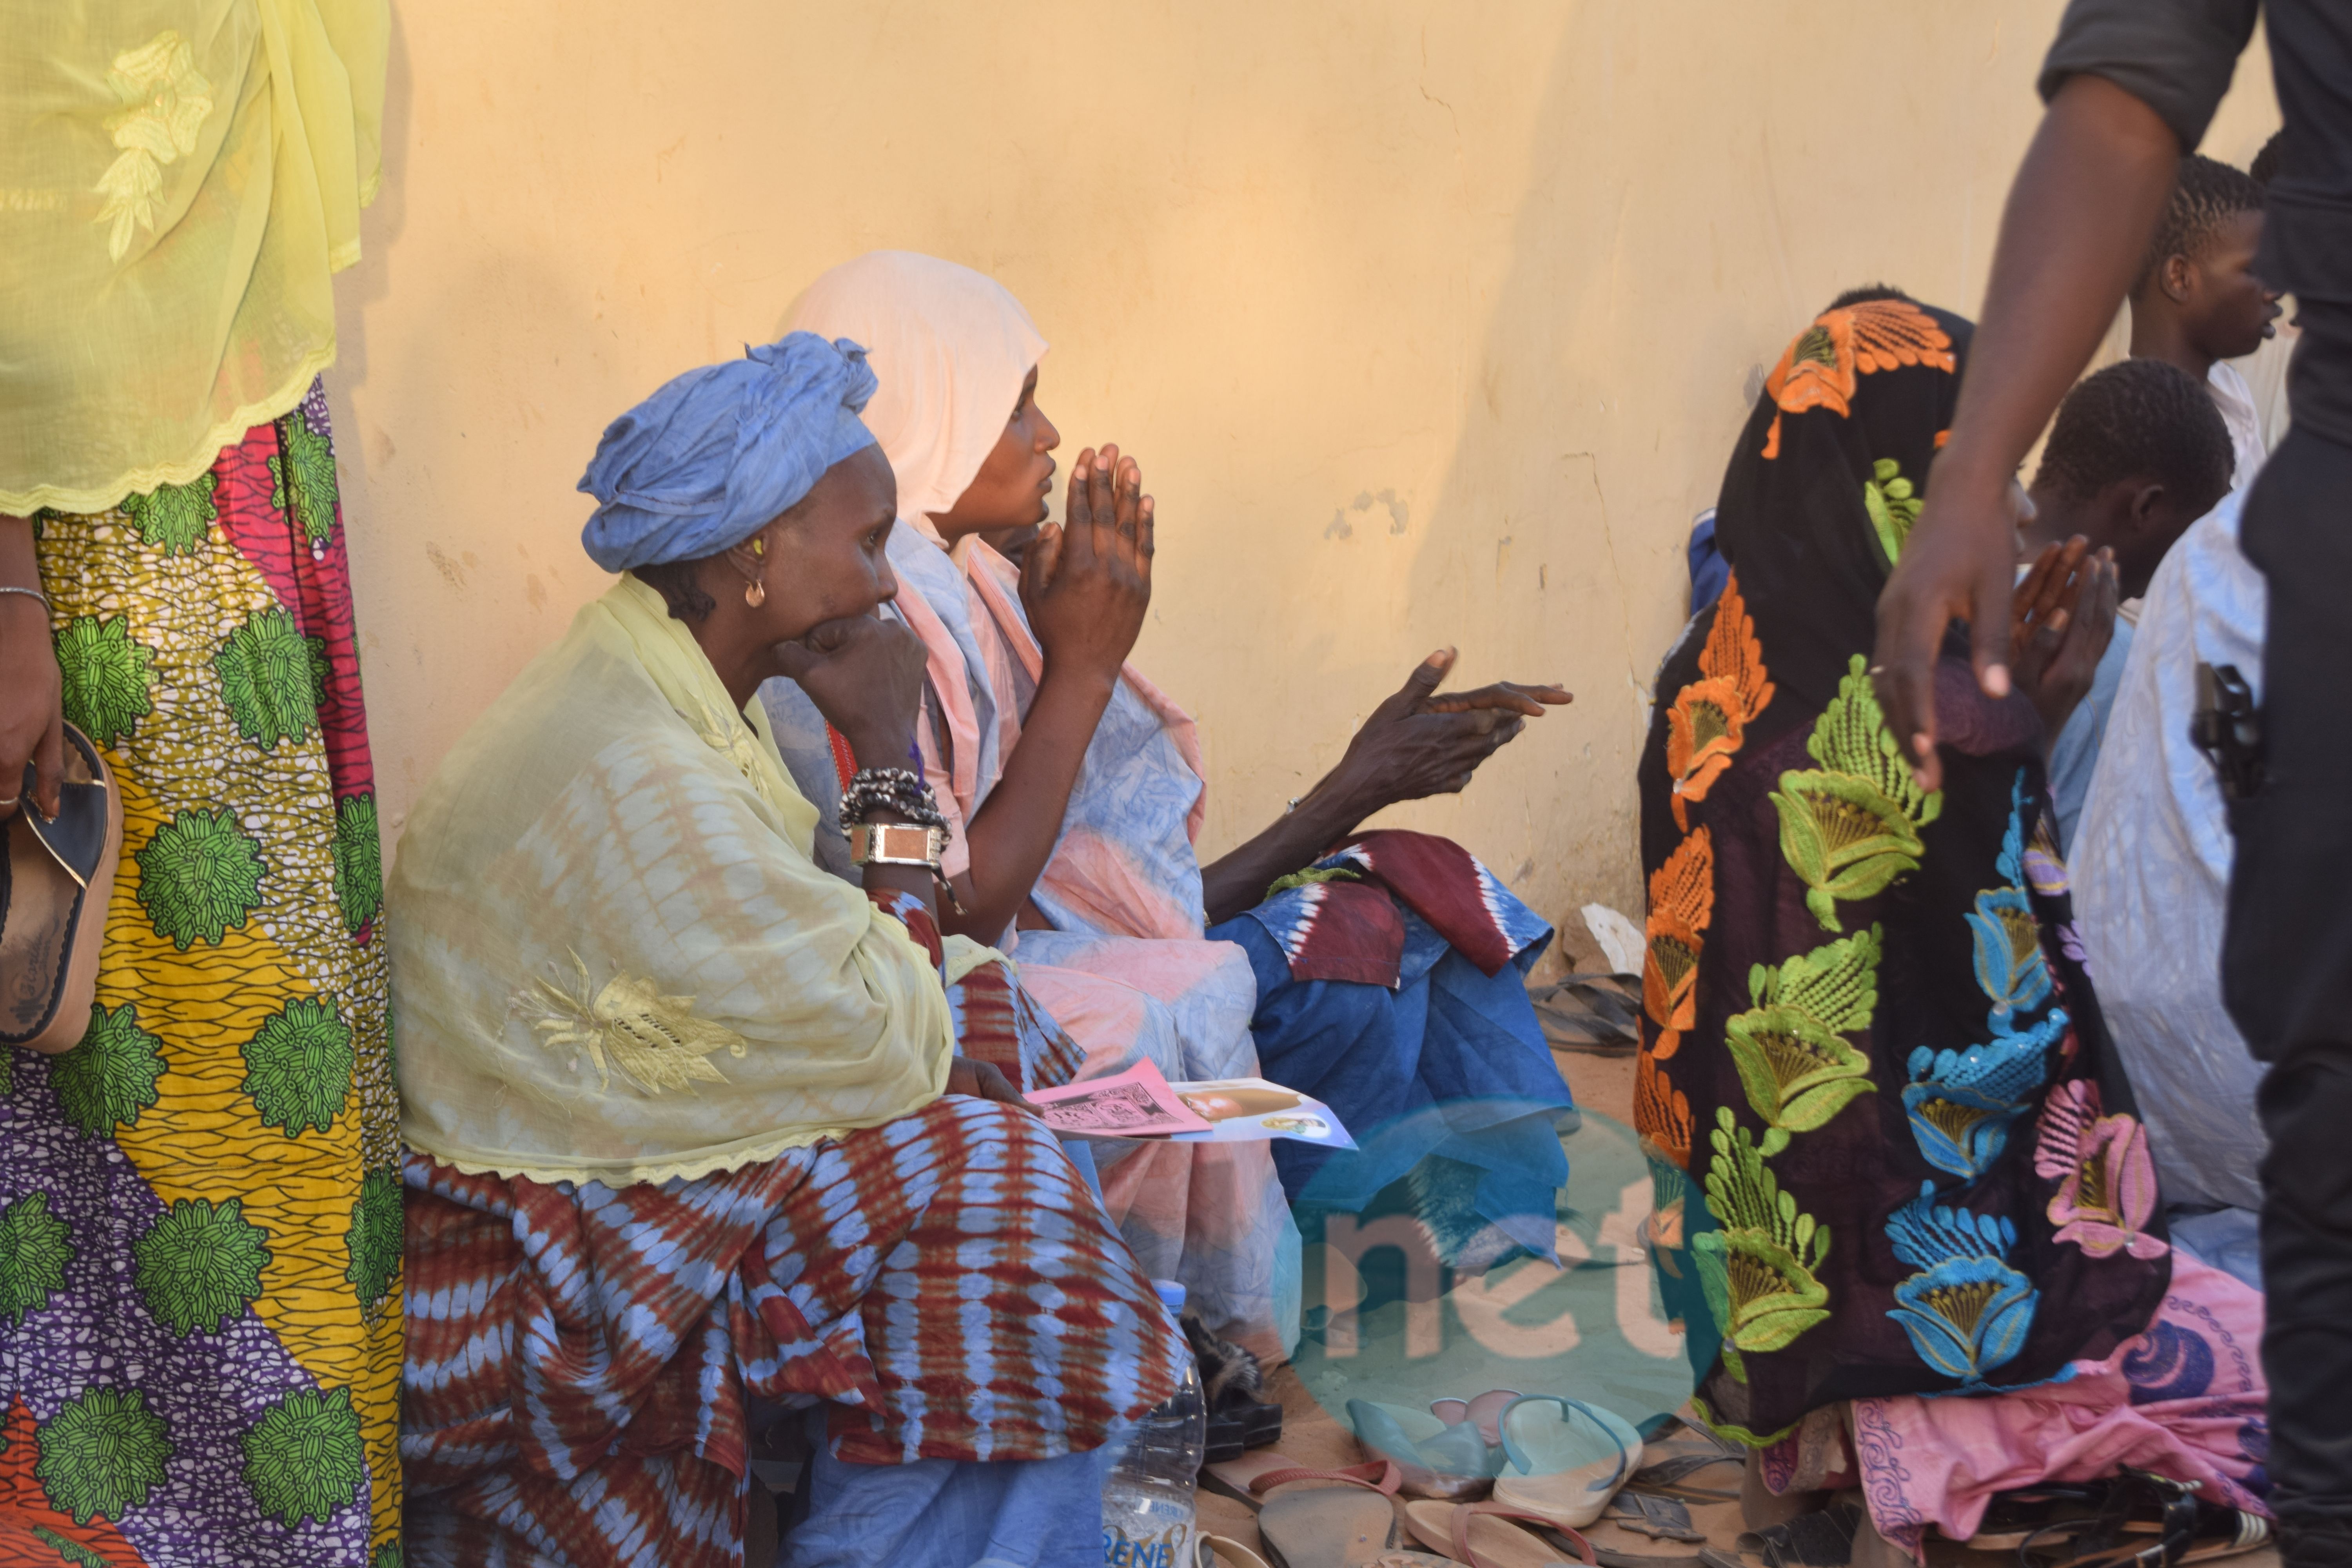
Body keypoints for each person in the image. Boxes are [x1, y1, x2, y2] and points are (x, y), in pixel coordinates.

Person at [390, 333, 1185, 1568]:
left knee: (992, 1040)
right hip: (532, 1249)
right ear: (750, 551)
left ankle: (950, 1522)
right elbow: (882, 1028)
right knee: (991, 1187)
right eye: (867, 544)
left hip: (607, 1172)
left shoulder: (671, 682)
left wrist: (934, 1062)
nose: (885, 585)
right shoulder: (638, 755)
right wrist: (882, 749)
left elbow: (880, 971)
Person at [772, 252, 1577, 1287]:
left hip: (1084, 971)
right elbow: (963, 923)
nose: (1049, 436)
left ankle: (1511, 1232)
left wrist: (1358, 789)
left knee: (1424, 879)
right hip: (993, 1027)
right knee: (1351, 948)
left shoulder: (971, 597)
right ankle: (1358, 1264)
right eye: (1017, 406)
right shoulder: (862, 635)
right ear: (935, 416)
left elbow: (1123, 901)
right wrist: (1087, 671)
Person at [1641, 289, 2267, 1563]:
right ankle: (1910, 1462)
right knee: (2248, 1358)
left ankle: (1819, 1468)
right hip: (1904, 1238)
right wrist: (2022, 733)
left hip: (1746, 1262)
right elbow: (1970, 1003)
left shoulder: (1712, 677)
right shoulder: (1917, 694)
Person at [1867, 8, 2352, 1561]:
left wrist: (1969, 480)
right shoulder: (2205, 562)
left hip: (2165, 1122)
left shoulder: (2209, 559)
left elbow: (2127, 102)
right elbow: (2132, 95)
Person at [0, 9, 400, 1563]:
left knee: (285, 1084)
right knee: (111, 1073)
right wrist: (13, 593)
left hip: (238, 485)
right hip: (92, 550)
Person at [2023, 357, 2236, 847]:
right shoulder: (2108, 657)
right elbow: (2080, 864)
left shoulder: (1937, 580)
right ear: (2145, 508)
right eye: (2192, 531)